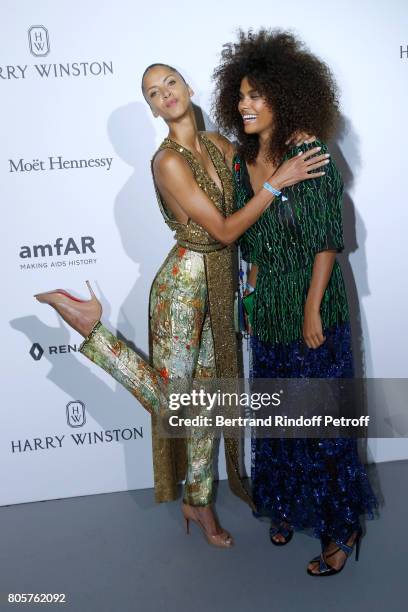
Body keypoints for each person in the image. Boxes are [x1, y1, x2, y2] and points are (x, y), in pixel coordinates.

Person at [34, 62, 328, 548]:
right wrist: (280, 182)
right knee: (178, 403)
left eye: (170, 82)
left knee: (207, 406)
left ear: (189, 88)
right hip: (181, 286)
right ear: (152, 108)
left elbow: (254, 188)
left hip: (220, 284)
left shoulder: (218, 145)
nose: (164, 93)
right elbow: (226, 228)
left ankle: (199, 501)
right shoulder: (166, 161)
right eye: (153, 91)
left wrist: (288, 143)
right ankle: (95, 331)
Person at [213, 29, 377, 573]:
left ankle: (340, 526)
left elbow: (327, 238)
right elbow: (243, 233)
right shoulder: (242, 161)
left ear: (285, 95)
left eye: (257, 95)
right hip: (267, 310)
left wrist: (311, 308)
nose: (245, 105)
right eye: (240, 96)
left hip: (313, 306)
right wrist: (255, 287)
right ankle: (286, 504)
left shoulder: (310, 151)